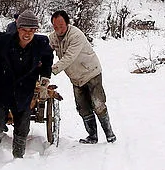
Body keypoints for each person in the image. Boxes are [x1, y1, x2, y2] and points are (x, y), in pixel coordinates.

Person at [0, 9, 53, 158]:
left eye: (31, 30)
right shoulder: (2, 40)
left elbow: (48, 58)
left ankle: (18, 158)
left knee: (22, 126)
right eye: (24, 29)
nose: (27, 34)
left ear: (36, 30)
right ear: (18, 28)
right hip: (2, 87)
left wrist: (45, 75)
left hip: (24, 90)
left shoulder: (41, 43)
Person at [48, 10, 116, 144]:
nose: (58, 29)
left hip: (91, 72)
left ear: (67, 23)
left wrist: (52, 69)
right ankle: (92, 136)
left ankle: (110, 134)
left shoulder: (76, 35)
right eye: (55, 26)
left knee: (98, 104)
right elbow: (45, 51)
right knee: (83, 107)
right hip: (75, 77)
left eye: (61, 25)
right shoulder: (53, 38)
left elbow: (69, 57)